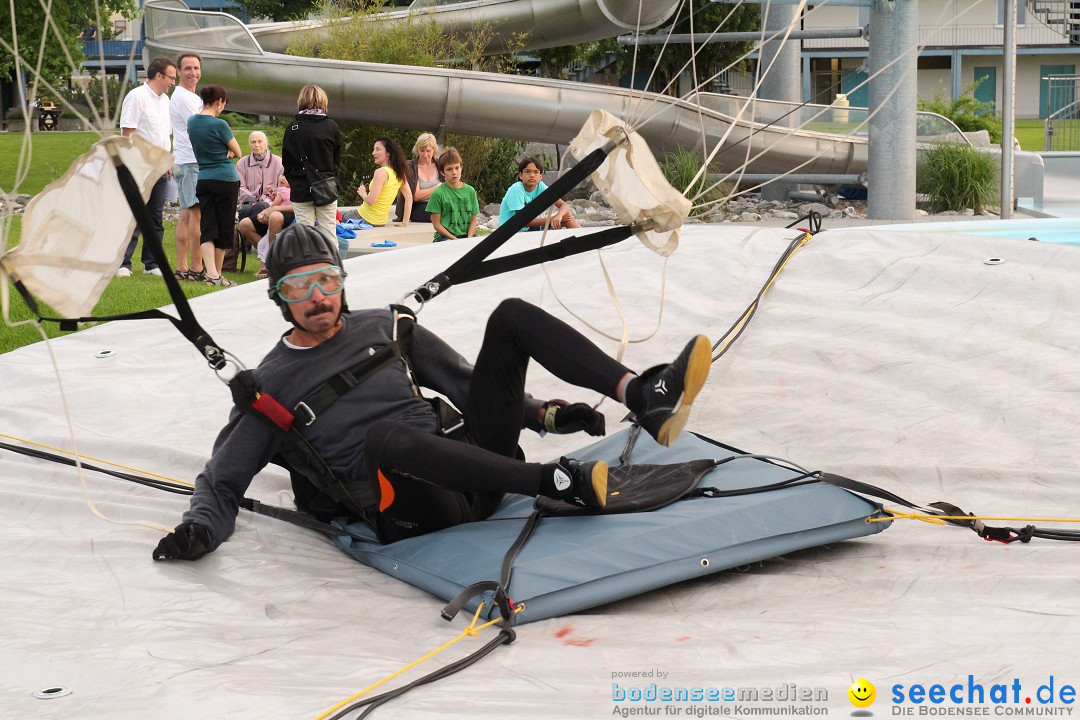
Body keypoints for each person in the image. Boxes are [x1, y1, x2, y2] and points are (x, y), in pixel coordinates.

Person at [151, 225, 712, 559]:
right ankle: (561, 482)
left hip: (481, 470)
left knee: (511, 316)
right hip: (418, 510)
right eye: (300, 286)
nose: (317, 295)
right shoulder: (269, 385)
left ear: (343, 282)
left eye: (327, 279)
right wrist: (197, 531)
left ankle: (642, 392)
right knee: (387, 439)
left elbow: (470, 387)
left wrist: (545, 416)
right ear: (278, 297)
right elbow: (221, 481)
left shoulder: (387, 327)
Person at [116, 56, 175, 277]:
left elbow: (164, 136)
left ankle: (152, 263)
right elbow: (127, 133)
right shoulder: (137, 97)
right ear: (159, 75)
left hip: (160, 166)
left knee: (155, 217)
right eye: (171, 77)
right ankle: (123, 264)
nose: (172, 82)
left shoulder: (165, 101)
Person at [188, 84, 242, 287]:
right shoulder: (220, 125)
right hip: (225, 179)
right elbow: (238, 152)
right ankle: (214, 273)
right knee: (224, 227)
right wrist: (228, 151)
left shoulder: (192, 122)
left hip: (204, 179)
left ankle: (214, 275)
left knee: (208, 226)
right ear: (219, 101)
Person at [282, 84, 342, 245]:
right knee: (329, 233)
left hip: (301, 187)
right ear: (323, 101)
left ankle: (308, 268)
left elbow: (287, 163)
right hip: (325, 185)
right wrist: (329, 177)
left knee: (304, 236)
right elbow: (336, 159)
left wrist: (296, 180)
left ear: (301, 101)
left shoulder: (293, 128)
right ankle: (333, 268)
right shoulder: (331, 127)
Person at [169, 52, 205, 282]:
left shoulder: (192, 96)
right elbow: (200, 128)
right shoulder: (183, 97)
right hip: (190, 161)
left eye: (196, 68)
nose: (193, 72)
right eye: (188, 68)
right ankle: (195, 267)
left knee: (185, 215)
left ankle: (182, 267)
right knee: (195, 215)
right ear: (179, 72)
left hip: (185, 159)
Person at [498, 156, 580, 231]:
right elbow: (522, 221)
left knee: (566, 217)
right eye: (527, 172)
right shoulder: (516, 189)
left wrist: (559, 216)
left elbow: (564, 205)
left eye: (536, 172)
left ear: (540, 176)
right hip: (511, 232)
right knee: (563, 219)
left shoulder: (540, 186)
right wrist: (552, 219)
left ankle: (586, 241)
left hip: (529, 229)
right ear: (520, 175)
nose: (532, 175)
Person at [236, 174, 294, 279]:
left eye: (285, 176)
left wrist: (271, 210)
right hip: (273, 210)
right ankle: (270, 255)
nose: (282, 178)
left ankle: (270, 263)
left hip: (290, 214)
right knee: (244, 224)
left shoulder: (286, 189)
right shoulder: (282, 190)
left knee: (274, 217)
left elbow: (274, 206)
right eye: (282, 175)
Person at [353, 136, 412, 228]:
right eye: (373, 150)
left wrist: (363, 193)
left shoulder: (381, 172)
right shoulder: (399, 174)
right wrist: (405, 222)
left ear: (388, 153)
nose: (373, 153)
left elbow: (371, 201)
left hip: (363, 218)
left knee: (334, 216)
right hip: (380, 222)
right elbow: (409, 197)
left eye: (378, 149)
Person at [426, 147, 479, 242]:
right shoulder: (438, 193)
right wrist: (455, 240)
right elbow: (436, 224)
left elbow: (473, 220)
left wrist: (469, 239)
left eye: (457, 168)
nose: (454, 172)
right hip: (445, 237)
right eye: (449, 169)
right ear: (442, 172)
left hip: (467, 236)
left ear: (461, 168)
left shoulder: (470, 191)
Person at [395, 132, 442, 224]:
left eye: (428, 151)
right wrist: (437, 188)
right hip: (418, 207)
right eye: (422, 150)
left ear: (434, 150)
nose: (425, 155)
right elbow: (416, 196)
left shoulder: (440, 165)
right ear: (417, 150)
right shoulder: (410, 167)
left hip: (439, 203)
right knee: (435, 213)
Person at [237, 131, 283, 206]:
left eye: (260, 141)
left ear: (266, 143)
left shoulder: (279, 162)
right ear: (250, 145)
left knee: (260, 207)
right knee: (246, 210)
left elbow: (282, 187)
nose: (257, 145)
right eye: (253, 142)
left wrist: (265, 199)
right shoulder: (241, 163)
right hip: (248, 202)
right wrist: (251, 200)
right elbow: (240, 186)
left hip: (271, 203)